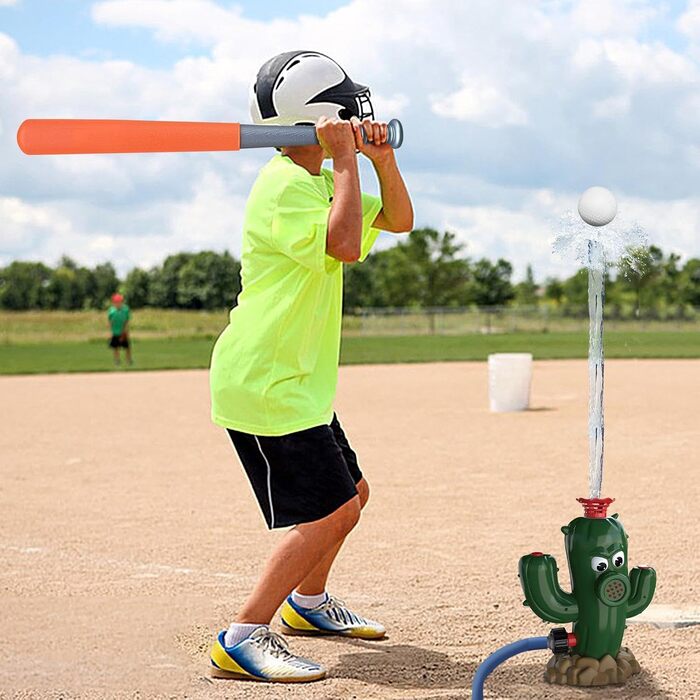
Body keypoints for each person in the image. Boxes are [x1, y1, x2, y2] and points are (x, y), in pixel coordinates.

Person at [208, 50, 413, 683]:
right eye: (351, 109)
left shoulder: (322, 181)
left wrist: (379, 160)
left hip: (298, 380)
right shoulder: (285, 187)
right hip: (267, 381)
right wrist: (349, 160)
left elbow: (399, 222)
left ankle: (309, 604)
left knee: (352, 495)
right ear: (328, 117)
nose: (361, 114)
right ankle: (241, 637)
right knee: (331, 511)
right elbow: (345, 244)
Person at [107, 293, 132, 366]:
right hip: (115, 332)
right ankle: (117, 361)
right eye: (116, 302)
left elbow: (126, 321)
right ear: (114, 302)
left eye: (120, 301)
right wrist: (110, 332)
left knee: (127, 347)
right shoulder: (111, 311)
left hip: (123, 332)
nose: (118, 303)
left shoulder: (125, 309)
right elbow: (110, 322)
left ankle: (128, 360)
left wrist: (125, 331)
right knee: (116, 348)